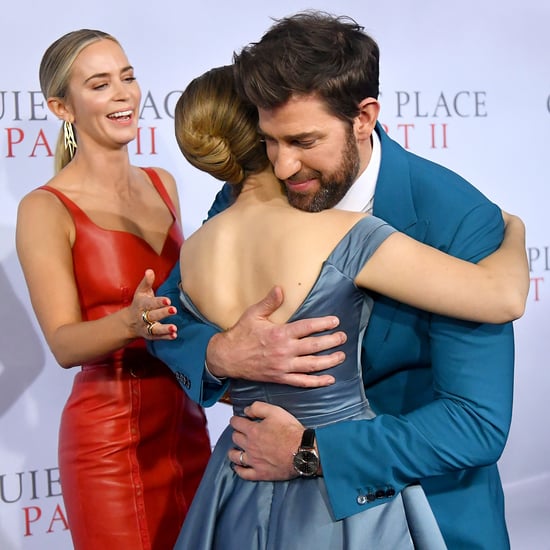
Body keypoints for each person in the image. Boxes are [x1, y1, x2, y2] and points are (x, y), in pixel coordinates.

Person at [147, 12, 528, 549]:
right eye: (269, 141)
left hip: (430, 516)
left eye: (304, 140)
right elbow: (166, 314)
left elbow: (475, 423)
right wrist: (218, 355)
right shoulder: (244, 195)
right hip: (268, 516)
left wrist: (311, 451)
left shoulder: (454, 217)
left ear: (364, 117)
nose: (282, 167)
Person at [15, 29, 211, 550]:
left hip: (189, 427)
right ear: (63, 107)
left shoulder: (163, 183)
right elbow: (62, 344)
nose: (123, 94)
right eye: (100, 84)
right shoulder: (45, 207)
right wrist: (129, 322)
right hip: (108, 444)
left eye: (127, 77)